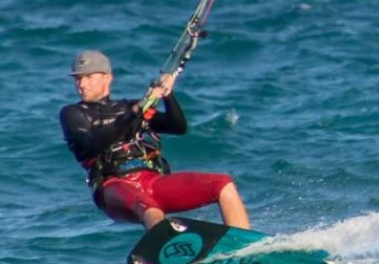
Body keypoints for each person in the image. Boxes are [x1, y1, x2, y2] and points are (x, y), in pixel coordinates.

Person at [59, 50, 250, 230]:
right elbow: (93, 143)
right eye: (78, 78)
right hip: (112, 186)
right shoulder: (72, 113)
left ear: (107, 78)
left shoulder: (130, 106)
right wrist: (133, 113)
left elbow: (177, 127)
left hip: (152, 181)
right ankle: (165, 252)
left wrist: (168, 95)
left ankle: (242, 247)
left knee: (223, 184)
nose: (82, 84)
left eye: (89, 77)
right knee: (150, 208)